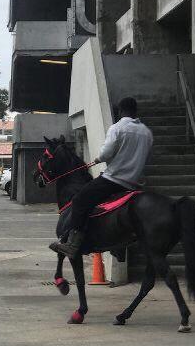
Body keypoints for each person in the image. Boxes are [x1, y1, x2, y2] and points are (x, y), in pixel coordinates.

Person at [50, 96, 153, 260]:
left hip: (113, 180)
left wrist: (98, 158)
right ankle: (118, 247)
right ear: (135, 112)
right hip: (133, 184)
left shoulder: (117, 128)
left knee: (79, 201)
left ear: (120, 111)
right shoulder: (146, 132)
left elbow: (106, 153)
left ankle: (72, 244)